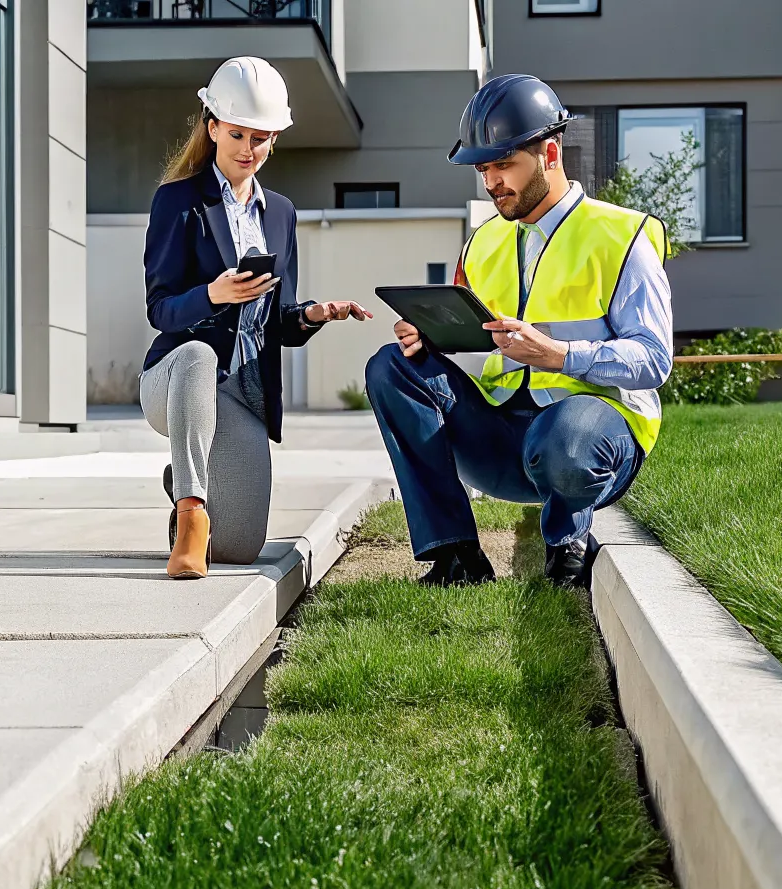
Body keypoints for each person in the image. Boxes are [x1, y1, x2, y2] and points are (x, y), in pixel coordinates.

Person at [365, 74, 672, 588]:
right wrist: (430, 336)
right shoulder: (483, 241)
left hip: (590, 442)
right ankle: (455, 555)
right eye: (483, 169)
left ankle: (567, 542)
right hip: (503, 442)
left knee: (568, 435)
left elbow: (654, 359)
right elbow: (472, 341)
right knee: (391, 366)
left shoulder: (622, 236)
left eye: (503, 165)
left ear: (550, 153)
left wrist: (560, 355)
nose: (492, 182)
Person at [141, 56, 371, 580]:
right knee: (197, 354)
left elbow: (280, 323)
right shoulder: (177, 202)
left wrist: (313, 314)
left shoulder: (282, 213)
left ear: (274, 139)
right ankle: (191, 512)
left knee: (240, 549)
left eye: (260, 138)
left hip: (243, 389)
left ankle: (183, 478)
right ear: (213, 127)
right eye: (238, 134)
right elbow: (160, 311)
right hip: (175, 379)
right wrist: (213, 294)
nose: (248, 148)